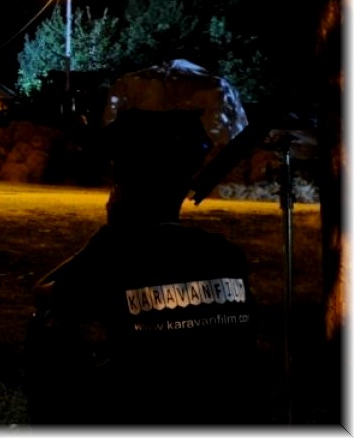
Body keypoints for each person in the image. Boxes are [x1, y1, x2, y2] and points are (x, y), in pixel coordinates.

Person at [24, 81, 259, 424]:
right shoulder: (227, 254)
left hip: (147, 414)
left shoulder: (117, 253)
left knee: (45, 331)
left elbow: (44, 294)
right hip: (225, 414)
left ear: (120, 194)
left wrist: (107, 234)